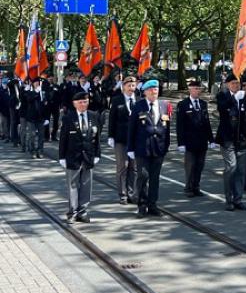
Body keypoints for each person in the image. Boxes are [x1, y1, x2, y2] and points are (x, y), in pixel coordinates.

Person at [215, 73, 246, 211]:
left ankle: (238, 199)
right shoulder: (222, 96)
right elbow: (222, 109)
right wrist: (234, 98)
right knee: (231, 168)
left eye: (237, 83)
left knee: (241, 170)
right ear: (227, 84)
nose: (236, 85)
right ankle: (229, 199)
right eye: (233, 83)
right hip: (228, 139)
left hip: (243, 139)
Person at [127, 79, 171, 218]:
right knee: (143, 176)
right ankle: (142, 205)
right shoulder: (138, 106)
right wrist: (130, 149)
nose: (154, 92)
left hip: (158, 148)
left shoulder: (164, 105)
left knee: (155, 178)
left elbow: (167, 128)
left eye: (156, 89)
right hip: (142, 148)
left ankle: (153, 205)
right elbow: (131, 129)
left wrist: (166, 146)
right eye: (151, 90)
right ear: (145, 92)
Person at [59, 92, 102, 224]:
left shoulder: (94, 116)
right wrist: (62, 157)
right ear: (74, 104)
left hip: (88, 156)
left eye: (85, 101)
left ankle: (83, 211)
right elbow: (63, 139)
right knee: (72, 185)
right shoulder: (68, 117)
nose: (83, 104)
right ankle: (72, 212)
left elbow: (97, 138)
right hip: (72, 156)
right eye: (80, 102)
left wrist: (97, 154)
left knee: (86, 185)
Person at [176, 80, 215, 197]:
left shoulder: (203, 104)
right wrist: (181, 143)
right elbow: (180, 125)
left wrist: (211, 139)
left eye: (199, 89)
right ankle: (188, 188)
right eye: (196, 88)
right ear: (190, 89)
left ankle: (196, 186)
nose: (198, 91)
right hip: (189, 141)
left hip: (202, 141)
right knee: (190, 166)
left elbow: (207, 122)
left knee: (200, 165)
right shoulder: (183, 104)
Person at [108, 76, 139, 205]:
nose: (131, 88)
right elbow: (112, 120)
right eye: (129, 85)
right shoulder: (116, 100)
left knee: (134, 167)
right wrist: (111, 136)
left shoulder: (139, 100)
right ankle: (123, 194)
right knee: (122, 167)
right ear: (123, 86)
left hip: (136, 140)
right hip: (120, 138)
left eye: (133, 86)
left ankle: (132, 193)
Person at [25, 78, 50, 159]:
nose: (37, 84)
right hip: (31, 117)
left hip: (41, 117)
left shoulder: (42, 93)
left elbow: (46, 105)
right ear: (33, 84)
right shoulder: (30, 92)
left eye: (38, 82)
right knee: (32, 135)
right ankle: (32, 150)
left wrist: (46, 117)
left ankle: (40, 151)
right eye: (35, 82)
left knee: (41, 136)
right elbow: (29, 99)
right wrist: (36, 92)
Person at [42, 73, 61, 142]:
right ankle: (46, 136)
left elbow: (60, 96)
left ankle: (54, 136)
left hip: (55, 106)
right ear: (47, 79)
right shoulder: (44, 86)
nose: (50, 79)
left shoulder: (57, 86)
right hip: (47, 106)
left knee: (56, 121)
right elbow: (43, 95)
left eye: (51, 78)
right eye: (49, 78)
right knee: (47, 121)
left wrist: (59, 104)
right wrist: (44, 102)